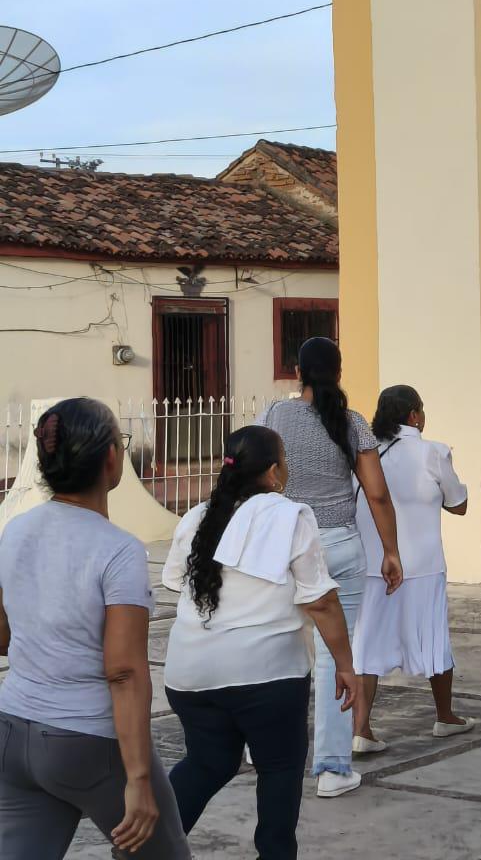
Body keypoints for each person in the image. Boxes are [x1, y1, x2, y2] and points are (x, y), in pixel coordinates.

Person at [0, 398, 189, 859]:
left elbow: (3, 635)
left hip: (13, 730)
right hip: (89, 742)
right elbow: (124, 672)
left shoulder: (14, 530)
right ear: (110, 457)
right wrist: (138, 779)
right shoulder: (118, 550)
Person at [163, 426, 356, 858]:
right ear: (273, 471)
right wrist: (345, 665)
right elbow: (321, 601)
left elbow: (177, 581)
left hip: (189, 675)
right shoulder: (290, 516)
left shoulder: (197, 517)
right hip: (267, 676)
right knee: (279, 769)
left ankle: (145, 847)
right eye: (284, 460)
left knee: (207, 762)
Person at [259, 336, 403, 798]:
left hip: (286, 544)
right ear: (339, 373)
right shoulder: (353, 422)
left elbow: (254, 474)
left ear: (298, 372)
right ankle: (332, 770)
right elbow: (377, 493)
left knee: (276, 644)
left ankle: (263, 748)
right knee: (335, 656)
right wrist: (391, 551)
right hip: (339, 545)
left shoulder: (274, 416)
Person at [352, 386, 474, 749]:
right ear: (414, 415)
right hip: (422, 563)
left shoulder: (365, 453)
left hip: (374, 561)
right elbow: (459, 504)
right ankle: (445, 716)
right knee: (434, 638)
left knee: (367, 643)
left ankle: (361, 729)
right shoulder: (433, 452)